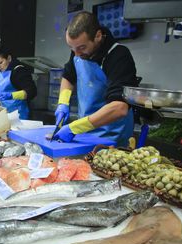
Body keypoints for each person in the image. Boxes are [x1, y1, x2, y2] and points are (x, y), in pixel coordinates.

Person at [52, 11, 137, 146]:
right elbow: (68, 77)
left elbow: (120, 107)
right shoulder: (78, 51)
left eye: (81, 47)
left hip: (112, 137)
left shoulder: (118, 55)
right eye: (72, 48)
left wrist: (76, 127)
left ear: (98, 36)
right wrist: (63, 103)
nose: (77, 54)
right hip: (84, 133)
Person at [0, 46, 37, 119]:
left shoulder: (19, 70)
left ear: (9, 58)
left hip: (18, 115)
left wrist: (11, 95)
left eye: (0, 62)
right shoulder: (0, 71)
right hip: (2, 113)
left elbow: (32, 91)